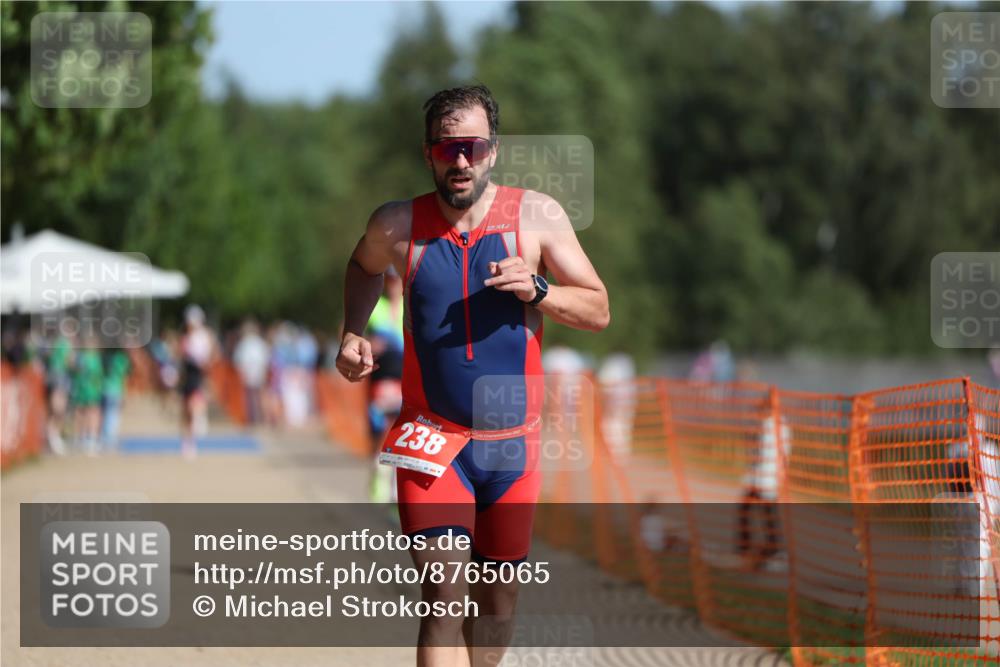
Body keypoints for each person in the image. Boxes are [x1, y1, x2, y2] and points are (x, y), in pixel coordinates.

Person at [335, 85, 609, 667]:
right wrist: (352, 332)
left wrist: (539, 290)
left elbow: (598, 308)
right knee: (443, 601)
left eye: (472, 147)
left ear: (494, 151)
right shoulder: (397, 225)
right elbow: (362, 269)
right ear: (428, 153)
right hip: (434, 441)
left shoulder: (536, 217)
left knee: (497, 604)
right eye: (445, 148)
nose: (459, 161)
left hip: (513, 450)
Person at [366, 266, 406, 504]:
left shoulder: (408, 306)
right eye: (390, 280)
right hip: (382, 380)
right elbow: (369, 341)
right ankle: (379, 482)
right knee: (382, 431)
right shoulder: (377, 309)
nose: (394, 284)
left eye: (397, 280)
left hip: (405, 379)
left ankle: (394, 488)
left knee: (399, 432)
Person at [736, 411, 792, 572]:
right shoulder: (781, 424)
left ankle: (773, 552)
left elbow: (759, 452)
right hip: (765, 477)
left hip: (764, 478)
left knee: (764, 516)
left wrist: (750, 436)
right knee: (756, 514)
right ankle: (749, 550)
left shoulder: (769, 424)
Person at [179, 305, 216, 457]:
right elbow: (181, 357)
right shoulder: (186, 337)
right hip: (188, 374)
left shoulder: (205, 336)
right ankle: (189, 442)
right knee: (186, 411)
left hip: (198, 374)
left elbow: (211, 357)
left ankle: (199, 418)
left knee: (194, 403)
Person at [71, 335, 104, 455]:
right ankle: (86, 438)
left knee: (85, 413)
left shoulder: (85, 358)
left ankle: (85, 438)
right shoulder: (92, 358)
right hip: (87, 390)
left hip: (86, 389)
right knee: (89, 413)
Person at [233, 319, 270, 425]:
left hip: (253, 372)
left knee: (254, 396)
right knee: (256, 396)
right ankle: (257, 417)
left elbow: (239, 360)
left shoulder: (247, 343)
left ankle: (257, 417)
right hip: (255, 372)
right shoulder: (257, 343)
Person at [100, 346, 130, 448]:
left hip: (104, 388)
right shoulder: (121, 358)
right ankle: (110, 439)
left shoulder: (105, 357)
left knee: (105, 414)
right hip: (116, 389)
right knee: (113, 415)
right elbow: (124, 376)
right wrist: (124, 393)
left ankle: (105, 438)